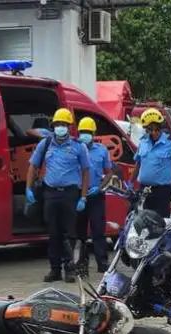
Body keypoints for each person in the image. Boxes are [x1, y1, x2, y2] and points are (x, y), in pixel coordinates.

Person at [25, 108, 90, 283]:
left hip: (70, 194)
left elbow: (85, 172)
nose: (60, 127)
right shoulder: (45, 144)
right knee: (53, 233)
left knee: (70, 233)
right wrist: (28, 189)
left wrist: (83, 197)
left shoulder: (78, 146)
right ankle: (55, 269)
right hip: (51, 193)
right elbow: (33, 166)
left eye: (64, 124)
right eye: (58, 124)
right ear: (53, 126)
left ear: (69, 127)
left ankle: (70, 269)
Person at [127, 108, 171, 218]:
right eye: (146, 128)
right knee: (143, 224)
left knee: (161, 224)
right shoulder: (143, 142)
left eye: (148, 128)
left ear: (155, 126)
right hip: (144, 190)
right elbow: (138, 163)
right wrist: (131, 182)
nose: (146, 131)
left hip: (162, 192)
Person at [74, 117, 114, 274]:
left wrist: (100, 187)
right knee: (79, 232)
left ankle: (102, 262)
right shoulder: (75, 149)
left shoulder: (102, 150)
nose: (85, 135)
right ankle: (81, 264)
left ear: (94, 133)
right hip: (78, 195)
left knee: (98, 230)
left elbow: (109, 173)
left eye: (88, 132)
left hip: (96, 195)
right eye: (82, 132)